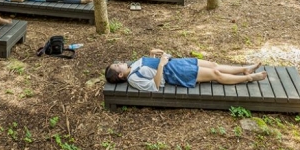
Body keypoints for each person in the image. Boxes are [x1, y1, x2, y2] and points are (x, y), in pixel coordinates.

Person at [105, 48, 267, 92]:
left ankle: (245, 69)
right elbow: (154, 86)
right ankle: (248, 78)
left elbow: (149, 68)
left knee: (213, 65)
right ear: (120, 74)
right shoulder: (133, 79)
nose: (120, 62)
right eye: (117, 65)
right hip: (175, 73)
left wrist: (152, 55)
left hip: (176, 63)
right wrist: (161, 64)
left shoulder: (132, 65)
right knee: (215, 75)